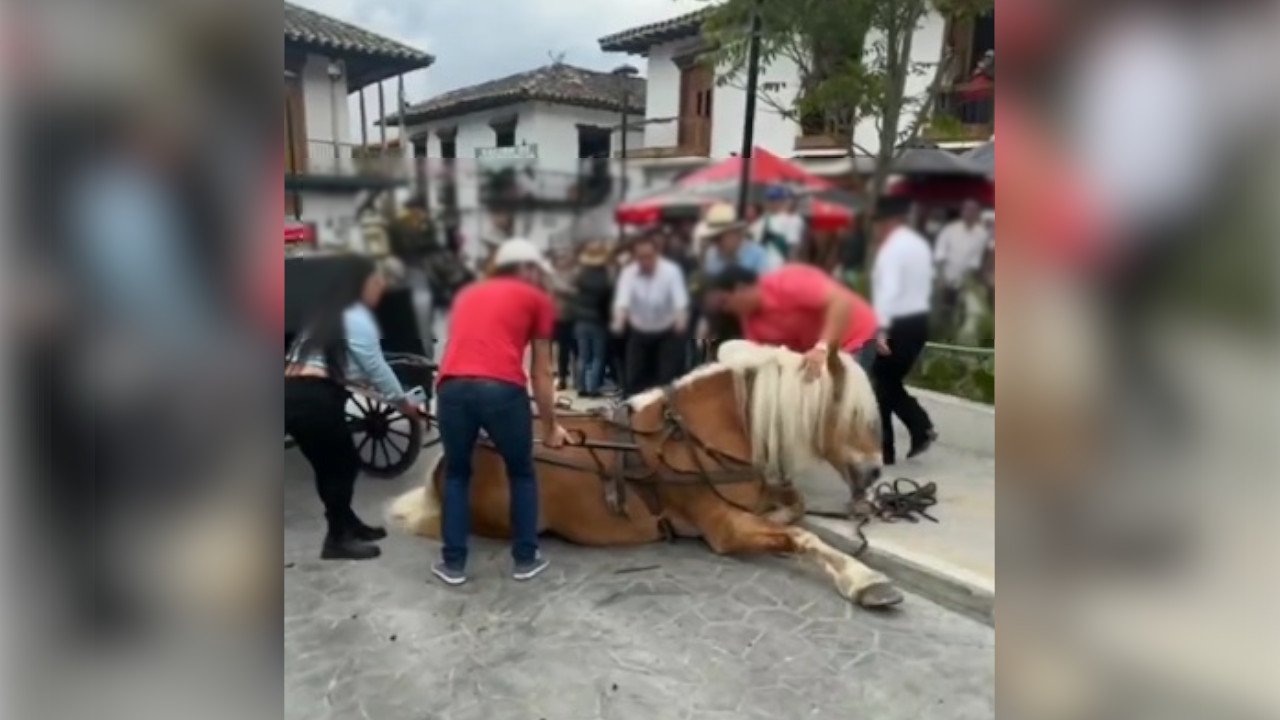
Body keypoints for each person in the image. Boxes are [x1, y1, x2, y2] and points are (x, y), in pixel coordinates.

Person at [434, 238, 570, 586]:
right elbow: (542, 372)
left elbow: (464, 345)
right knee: (521, 472)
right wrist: (552, 426)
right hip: (501, 389)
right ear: (527, 269)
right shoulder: (538, 300)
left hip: (450, 388)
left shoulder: (466, 295)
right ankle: (525, 558)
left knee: (457, 474)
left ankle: (453, 564)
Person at [285, 256, 424, 561]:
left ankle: (346, 523)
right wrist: (403, 403)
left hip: (293, 392)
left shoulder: (325, 312)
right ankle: (337, 540)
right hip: (313, 396)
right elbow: (374, 366)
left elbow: (353, 368)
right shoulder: (356, 316)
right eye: (377, 281)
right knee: (341, 466)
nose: (382, 286)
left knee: (331, 465)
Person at [710, 263, 880, 376]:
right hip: (817, 355)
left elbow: (840, 301)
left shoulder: (787, 281)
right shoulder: (751, 324)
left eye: (725, 302)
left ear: (741, 289)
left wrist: (823, 348)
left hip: (857, 334)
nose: (726, 310)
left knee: (847, 399)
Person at [870, 197, 938, 465]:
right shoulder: (918, 246)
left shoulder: (892, 250)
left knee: (881, 381)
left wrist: (881, 330)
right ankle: (911, 434)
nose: (876, 229)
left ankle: (907, 435)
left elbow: (888, 292)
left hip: (899, 322)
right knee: (885, 383)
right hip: (919, 321)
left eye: (878, 224)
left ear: (890, 222)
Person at [611, 235, 690, 395]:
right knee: (634, 380)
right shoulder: (628, 273)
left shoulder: (671, 271)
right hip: (640, 332)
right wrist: (618, 321)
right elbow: (622, 302)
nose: (645, 261)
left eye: (649, 257)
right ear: (635, 257)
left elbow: (680, 301)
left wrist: (681, 320)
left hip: (666, 332)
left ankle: (666, 414)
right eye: (641, 257)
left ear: (656, 254)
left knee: (666, 379)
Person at [933, 200, 991, 330]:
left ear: (977, 214)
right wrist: (941, 278)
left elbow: (979, 257)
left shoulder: (981, 234)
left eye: (973, 211)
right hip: (947, 276)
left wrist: (978, 276)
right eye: (967, 210)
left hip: (968, 278)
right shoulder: (950, 230)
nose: (970, 214)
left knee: (966, 311)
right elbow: (940, 253)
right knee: (945, 309)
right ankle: (943, 332)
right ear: (962, 212)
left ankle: (959, 333)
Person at [569, 241, 612, 397]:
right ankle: (593, 388)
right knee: (598, 357)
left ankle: (581, 387)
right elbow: (608, 299)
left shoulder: (580, 276)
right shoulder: (605, 277)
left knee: (583, 356)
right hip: (598, 321)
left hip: (581, 320)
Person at [699, 203, 775, 277]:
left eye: (719, 238)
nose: (715, 243)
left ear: (736, 234)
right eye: (712, 239)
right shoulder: (712, 254)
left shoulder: (760, 257)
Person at [754, 185, 806, 262]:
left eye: (773, 199)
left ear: (781, 201)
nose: (769, 203)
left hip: (780, 262)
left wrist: (789, 264)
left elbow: (793, 246)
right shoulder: (764, 217)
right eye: (768, 199)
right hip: (762, 262)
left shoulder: (792, 220)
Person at [550, 251, 578, 390]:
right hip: (559, 317)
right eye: (562, 258)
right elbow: (561, 289)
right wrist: (573, 291)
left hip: (574, 316)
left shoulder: (575, 273)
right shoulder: (553, 275)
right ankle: (562, 378)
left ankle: (578, 378)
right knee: (563, 350)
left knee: (576, 349)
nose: (565, 260)